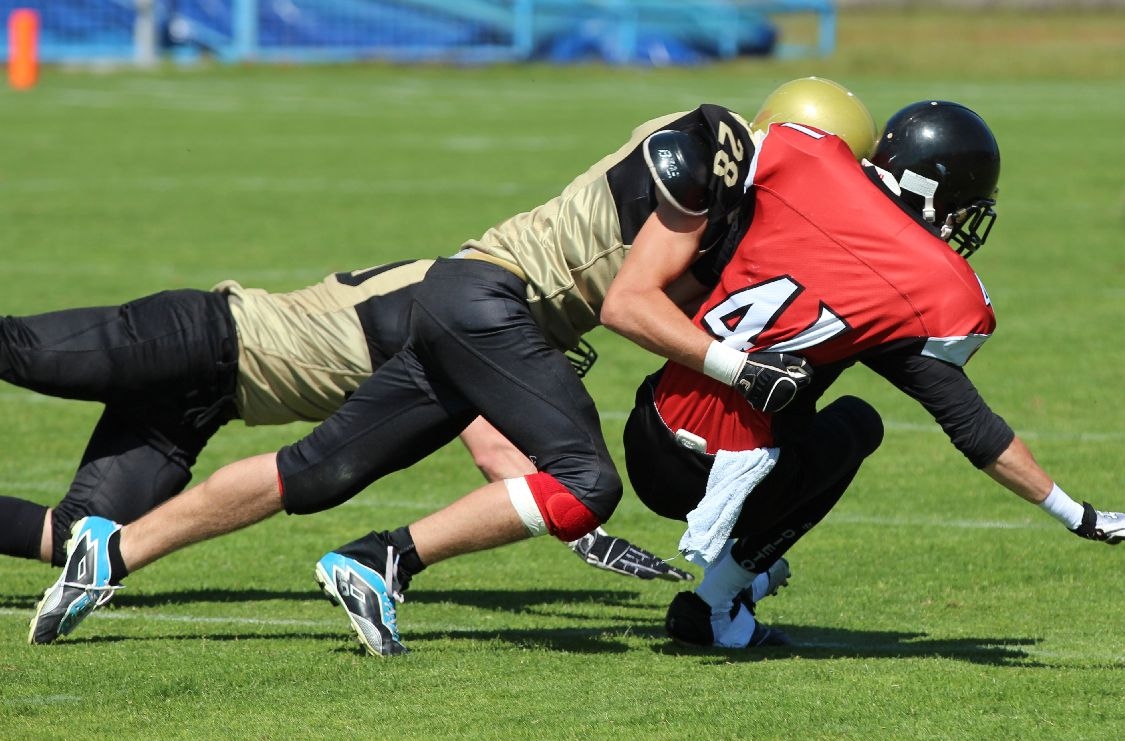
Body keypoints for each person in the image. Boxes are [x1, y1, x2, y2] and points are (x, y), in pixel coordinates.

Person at [29, 77, 879, 655]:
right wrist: (739, 368)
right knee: (586, 477)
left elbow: (674, 287)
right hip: (488, 304)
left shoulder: (717, 175)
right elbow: (629, 303)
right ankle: (379, 561)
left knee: (317, 472)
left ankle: (112, 555)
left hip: (468, 310)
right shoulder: (708, 155)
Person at [615, 99, 1125, 650]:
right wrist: (1079, 514)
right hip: (715, 481)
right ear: (934, 191)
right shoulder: (928, 284)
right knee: (857, 423)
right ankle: (718, 599)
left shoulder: (806, 155)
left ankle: (727, 590)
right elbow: (977, 432)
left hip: (647, 427)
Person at [0, 260, 689, 580]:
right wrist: (584, 531)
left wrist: (576, 528)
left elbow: (500, 450)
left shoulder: (470, 306)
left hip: (203, 404)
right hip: (199, 336)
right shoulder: (464, 313)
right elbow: (495, 452)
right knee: (19, 350)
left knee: (74, 543)